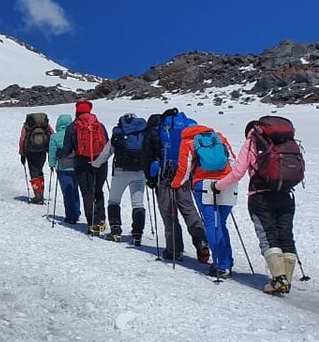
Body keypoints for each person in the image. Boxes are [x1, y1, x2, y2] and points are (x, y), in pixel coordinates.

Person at [212, 116, 304, 294]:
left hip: (260, 196)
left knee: (267, 235)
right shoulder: (286, 141)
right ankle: (286, 280)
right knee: (285, 236)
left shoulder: (252, 141)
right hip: (285, 194)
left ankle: (278, 279)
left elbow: (237, 173)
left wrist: (217, 186)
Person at [144, 108, 210, 263]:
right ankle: (202, 241)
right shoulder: (187, 128)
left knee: (169, 212)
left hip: (164, 175)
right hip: (185, 173)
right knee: (188, 208)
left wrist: (150, 178)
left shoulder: (155, 131)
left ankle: (174, 250)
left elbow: (146, 156)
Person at [173, 122, 237, 278]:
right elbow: (233, 160)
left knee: (212, 225)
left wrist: (175, 184)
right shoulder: (219, 137)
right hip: (227, 182)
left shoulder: (188, 141)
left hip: (204, 184)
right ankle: (226, 261)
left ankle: (221, 265)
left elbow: (184, 168)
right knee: (220, 223)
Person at [57, 100, 108, 235]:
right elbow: (107, 145)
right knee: (98, 190)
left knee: (87, 193)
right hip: (100, 162)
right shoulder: (99, 125)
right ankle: (101, 220)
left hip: (81, 163)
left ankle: (92, 224)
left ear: (77, 111)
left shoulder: (72, 127)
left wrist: (59, 154)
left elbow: (67, 150)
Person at [97, 113, 148, 245]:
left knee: (114, 201)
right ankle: (137, 235)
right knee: (138, 203)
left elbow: (106, 153)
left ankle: (115, 231)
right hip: (140, 172)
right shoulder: (143, 133)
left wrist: (95, 164)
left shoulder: (119, 132)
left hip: (121, 172)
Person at [48, 113, 81, 224]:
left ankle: (71, 216)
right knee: (75, 190)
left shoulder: (55, 137)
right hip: (77, 166)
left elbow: (52, 153)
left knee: (68, 192)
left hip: (63, 168)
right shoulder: (76, 133)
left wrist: (52, 164)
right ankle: (77, 212)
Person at [18, 112, 53, 204]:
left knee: (34, 173)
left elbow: (22, 139)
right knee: (39, 170)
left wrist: (22, 154)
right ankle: (41, 193)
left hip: (31, 152)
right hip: (42, 150)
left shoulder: (27, 125)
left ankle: (38, 195)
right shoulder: (45, 125)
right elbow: (52, 134)